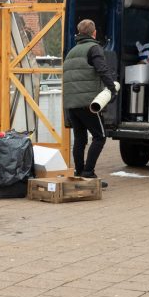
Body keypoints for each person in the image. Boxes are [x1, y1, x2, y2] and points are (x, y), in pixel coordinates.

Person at [62, 19, 118, 185]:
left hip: (72, 104)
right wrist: (112, 89)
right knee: (99, 136)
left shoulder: (72, 51)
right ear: (94, 33)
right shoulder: (94, 48)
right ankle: (89, 173)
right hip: (89, 103)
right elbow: (102, 69)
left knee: (80, 139)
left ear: (79, 33)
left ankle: (79, 172)